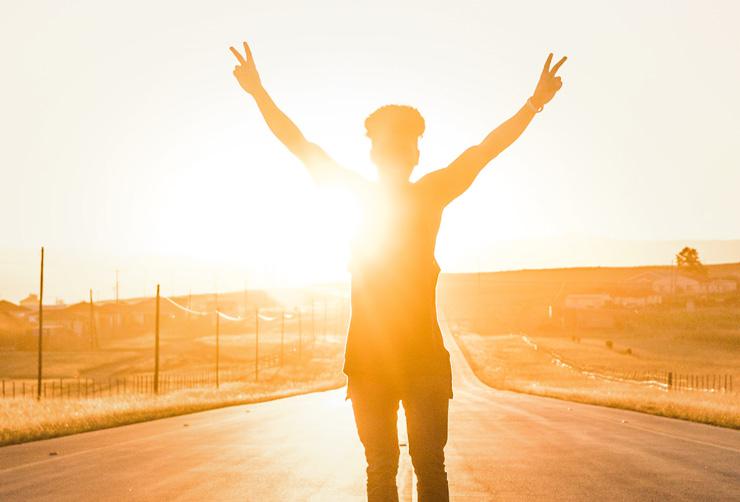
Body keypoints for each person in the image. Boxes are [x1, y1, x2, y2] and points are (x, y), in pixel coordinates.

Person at [229, 41, 566, 502]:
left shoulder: (365, 194)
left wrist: (258, 93)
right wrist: (534, 103)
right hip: (395, 360)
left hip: (383, 360)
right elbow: (484, 150)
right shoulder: (427, 192)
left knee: (386, 469)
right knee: (424, 469)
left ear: (377, 153)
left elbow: (299, 145)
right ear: (414, 154)